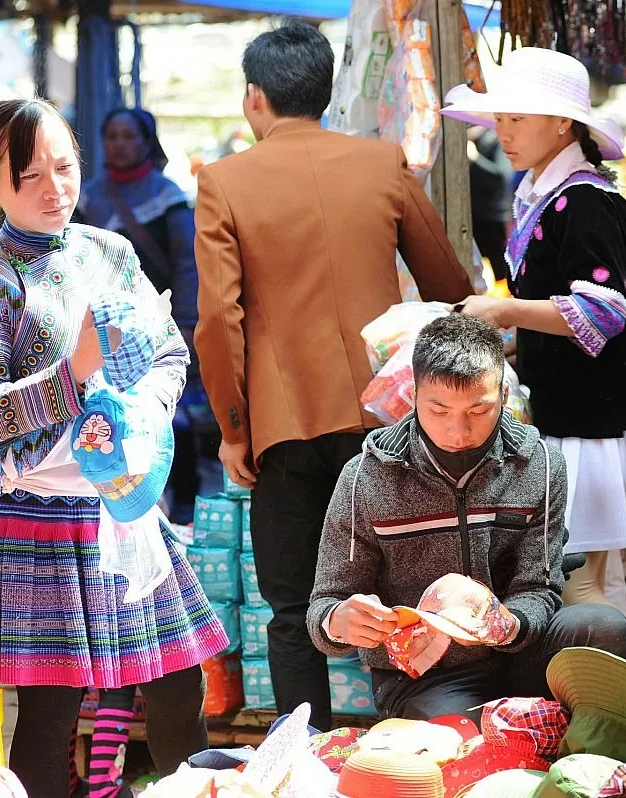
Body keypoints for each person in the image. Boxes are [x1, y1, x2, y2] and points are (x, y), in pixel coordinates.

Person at [0, 98, 228, 797]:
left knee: (178, 687)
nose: (54, 188)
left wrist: (146, 411)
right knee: (51, 710)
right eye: (29, 175)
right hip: (35, 515)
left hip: (124, 505)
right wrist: (81, 367)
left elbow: (169, 353)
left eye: (64, 168)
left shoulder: (111, 251)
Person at [194, 21, 473, 731]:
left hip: (284, 432)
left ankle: (307, 757)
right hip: (386, 425)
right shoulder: (383, 164)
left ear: (255, 98)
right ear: (326, 93)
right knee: (409, 590)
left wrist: (233, 430)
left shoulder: (224, 182)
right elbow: (448, 285)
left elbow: (219, 323)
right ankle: (425, 743)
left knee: (294, 610)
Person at [307, 314, 626, 721]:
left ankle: (602, 763)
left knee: (601, 626)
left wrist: (508, 625)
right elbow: (325, 604)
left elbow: (540, 586)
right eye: (439, 410)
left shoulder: (541, 464)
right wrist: (339, 622)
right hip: (424, 676)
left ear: (503, 393)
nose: (458, 430)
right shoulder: (366, 478)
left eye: (479, 410)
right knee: (465, 739)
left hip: (521, 655)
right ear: (413, 394)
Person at [442, 47, 626, 613]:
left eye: (517, 118)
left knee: (580, 584)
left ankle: (610, 695)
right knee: (594, 585)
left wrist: (506, 313)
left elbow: (602, 313)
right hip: (573, 409)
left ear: (563, 123)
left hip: (592, 420)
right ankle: (620, 693)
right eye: (500, 119)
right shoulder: (549, 195)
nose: (504, 132)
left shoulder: (585, 201)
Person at [76, 106, 206, 524]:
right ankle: (118, 500)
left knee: (171, 412)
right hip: (98, 329)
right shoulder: (88, 198)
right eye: (111, 136)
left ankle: (181, 502)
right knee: (108, 411)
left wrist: (184, 323)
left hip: (157, 325)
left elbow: (188, 264)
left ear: (146, 142)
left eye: (128, 136)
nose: (119, 144)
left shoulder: (166, 196)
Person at [467, 126, 515, 282]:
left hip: (494, 216)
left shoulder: (496, 138)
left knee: (499, 272)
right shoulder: (473, 138)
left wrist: (475, 159)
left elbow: (502, 176)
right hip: (473, 214)